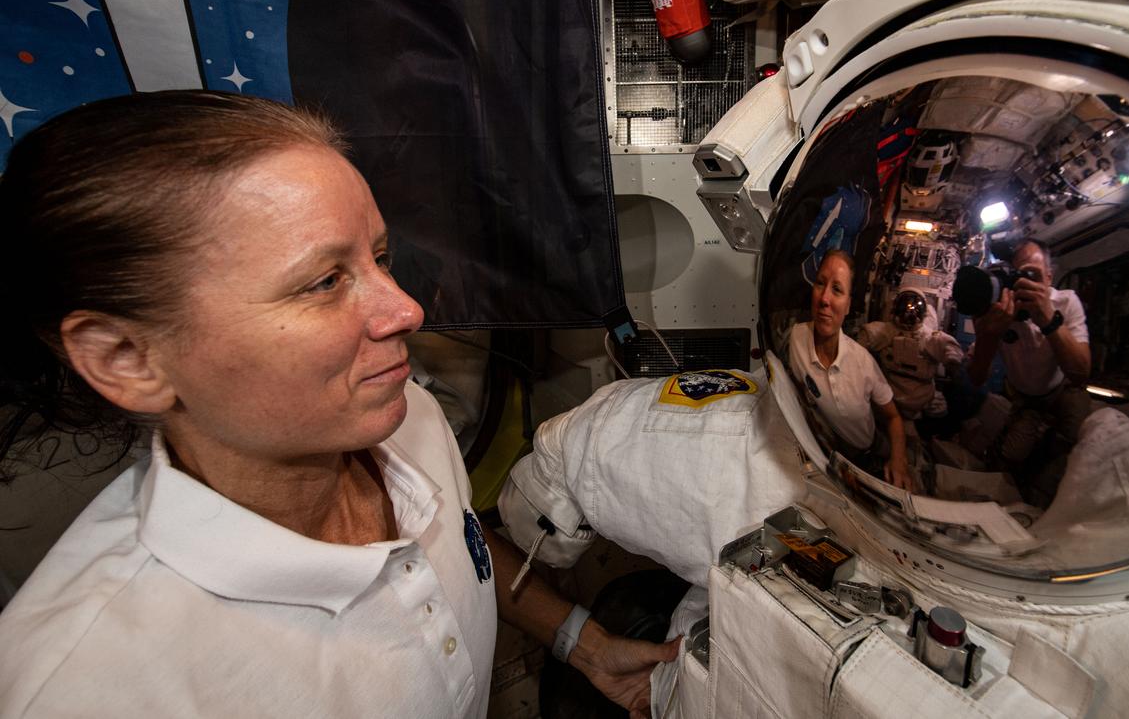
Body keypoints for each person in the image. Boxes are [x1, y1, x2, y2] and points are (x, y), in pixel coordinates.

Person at [0, 91, 674, 718]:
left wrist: (582, 643)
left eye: (380, 257)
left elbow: (446, 542)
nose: (406, 309)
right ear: (128, 358)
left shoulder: (409, 415)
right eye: (324, 282)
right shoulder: (82, 687)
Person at [786, 249, 912, 491]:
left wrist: (899, 460)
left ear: (848, 305)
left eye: (837, 290)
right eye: (820, 283)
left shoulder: (863, 363)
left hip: (870, 450)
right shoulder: (794, 339)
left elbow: (894, 417)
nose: (824, 299)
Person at [964, 238, 1092, 470]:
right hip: (1025, 398)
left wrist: (1048, 321)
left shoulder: (1066, 302)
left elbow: (1081, 374)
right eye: (1018, 276)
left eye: (1032, 275)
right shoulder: (998, 311)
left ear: (1049, 278)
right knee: (1012, 457)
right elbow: (976, 378)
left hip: (1063, 390)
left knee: (1075, 455)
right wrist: (989, 336)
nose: (1024, 285)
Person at [857, 290, 962, 420]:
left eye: (914, 308)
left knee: (938, 412)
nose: (909, 313)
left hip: (921, 397)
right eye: (905, 307)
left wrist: (953, 359)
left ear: (923, 313)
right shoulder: (886, 332)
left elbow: (947, 346)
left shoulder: (928, 336)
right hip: (889, 396)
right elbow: (865, 338)